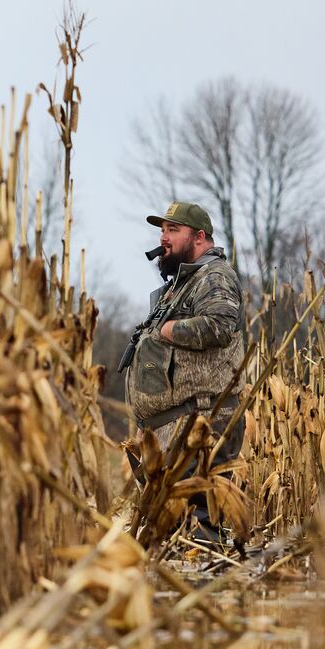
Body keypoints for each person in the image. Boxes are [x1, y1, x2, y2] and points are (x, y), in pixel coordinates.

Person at [123, 201, 246, 537]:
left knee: (200, 533)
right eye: (162, 230)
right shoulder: (183, 282)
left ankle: (208, 589)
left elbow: (220, 325)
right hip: (174, 428)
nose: (163, 237)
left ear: (199, 237)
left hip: (201, 425)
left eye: (172, 230)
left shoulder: (214, 277)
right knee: (173, 532)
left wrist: (167, 330)